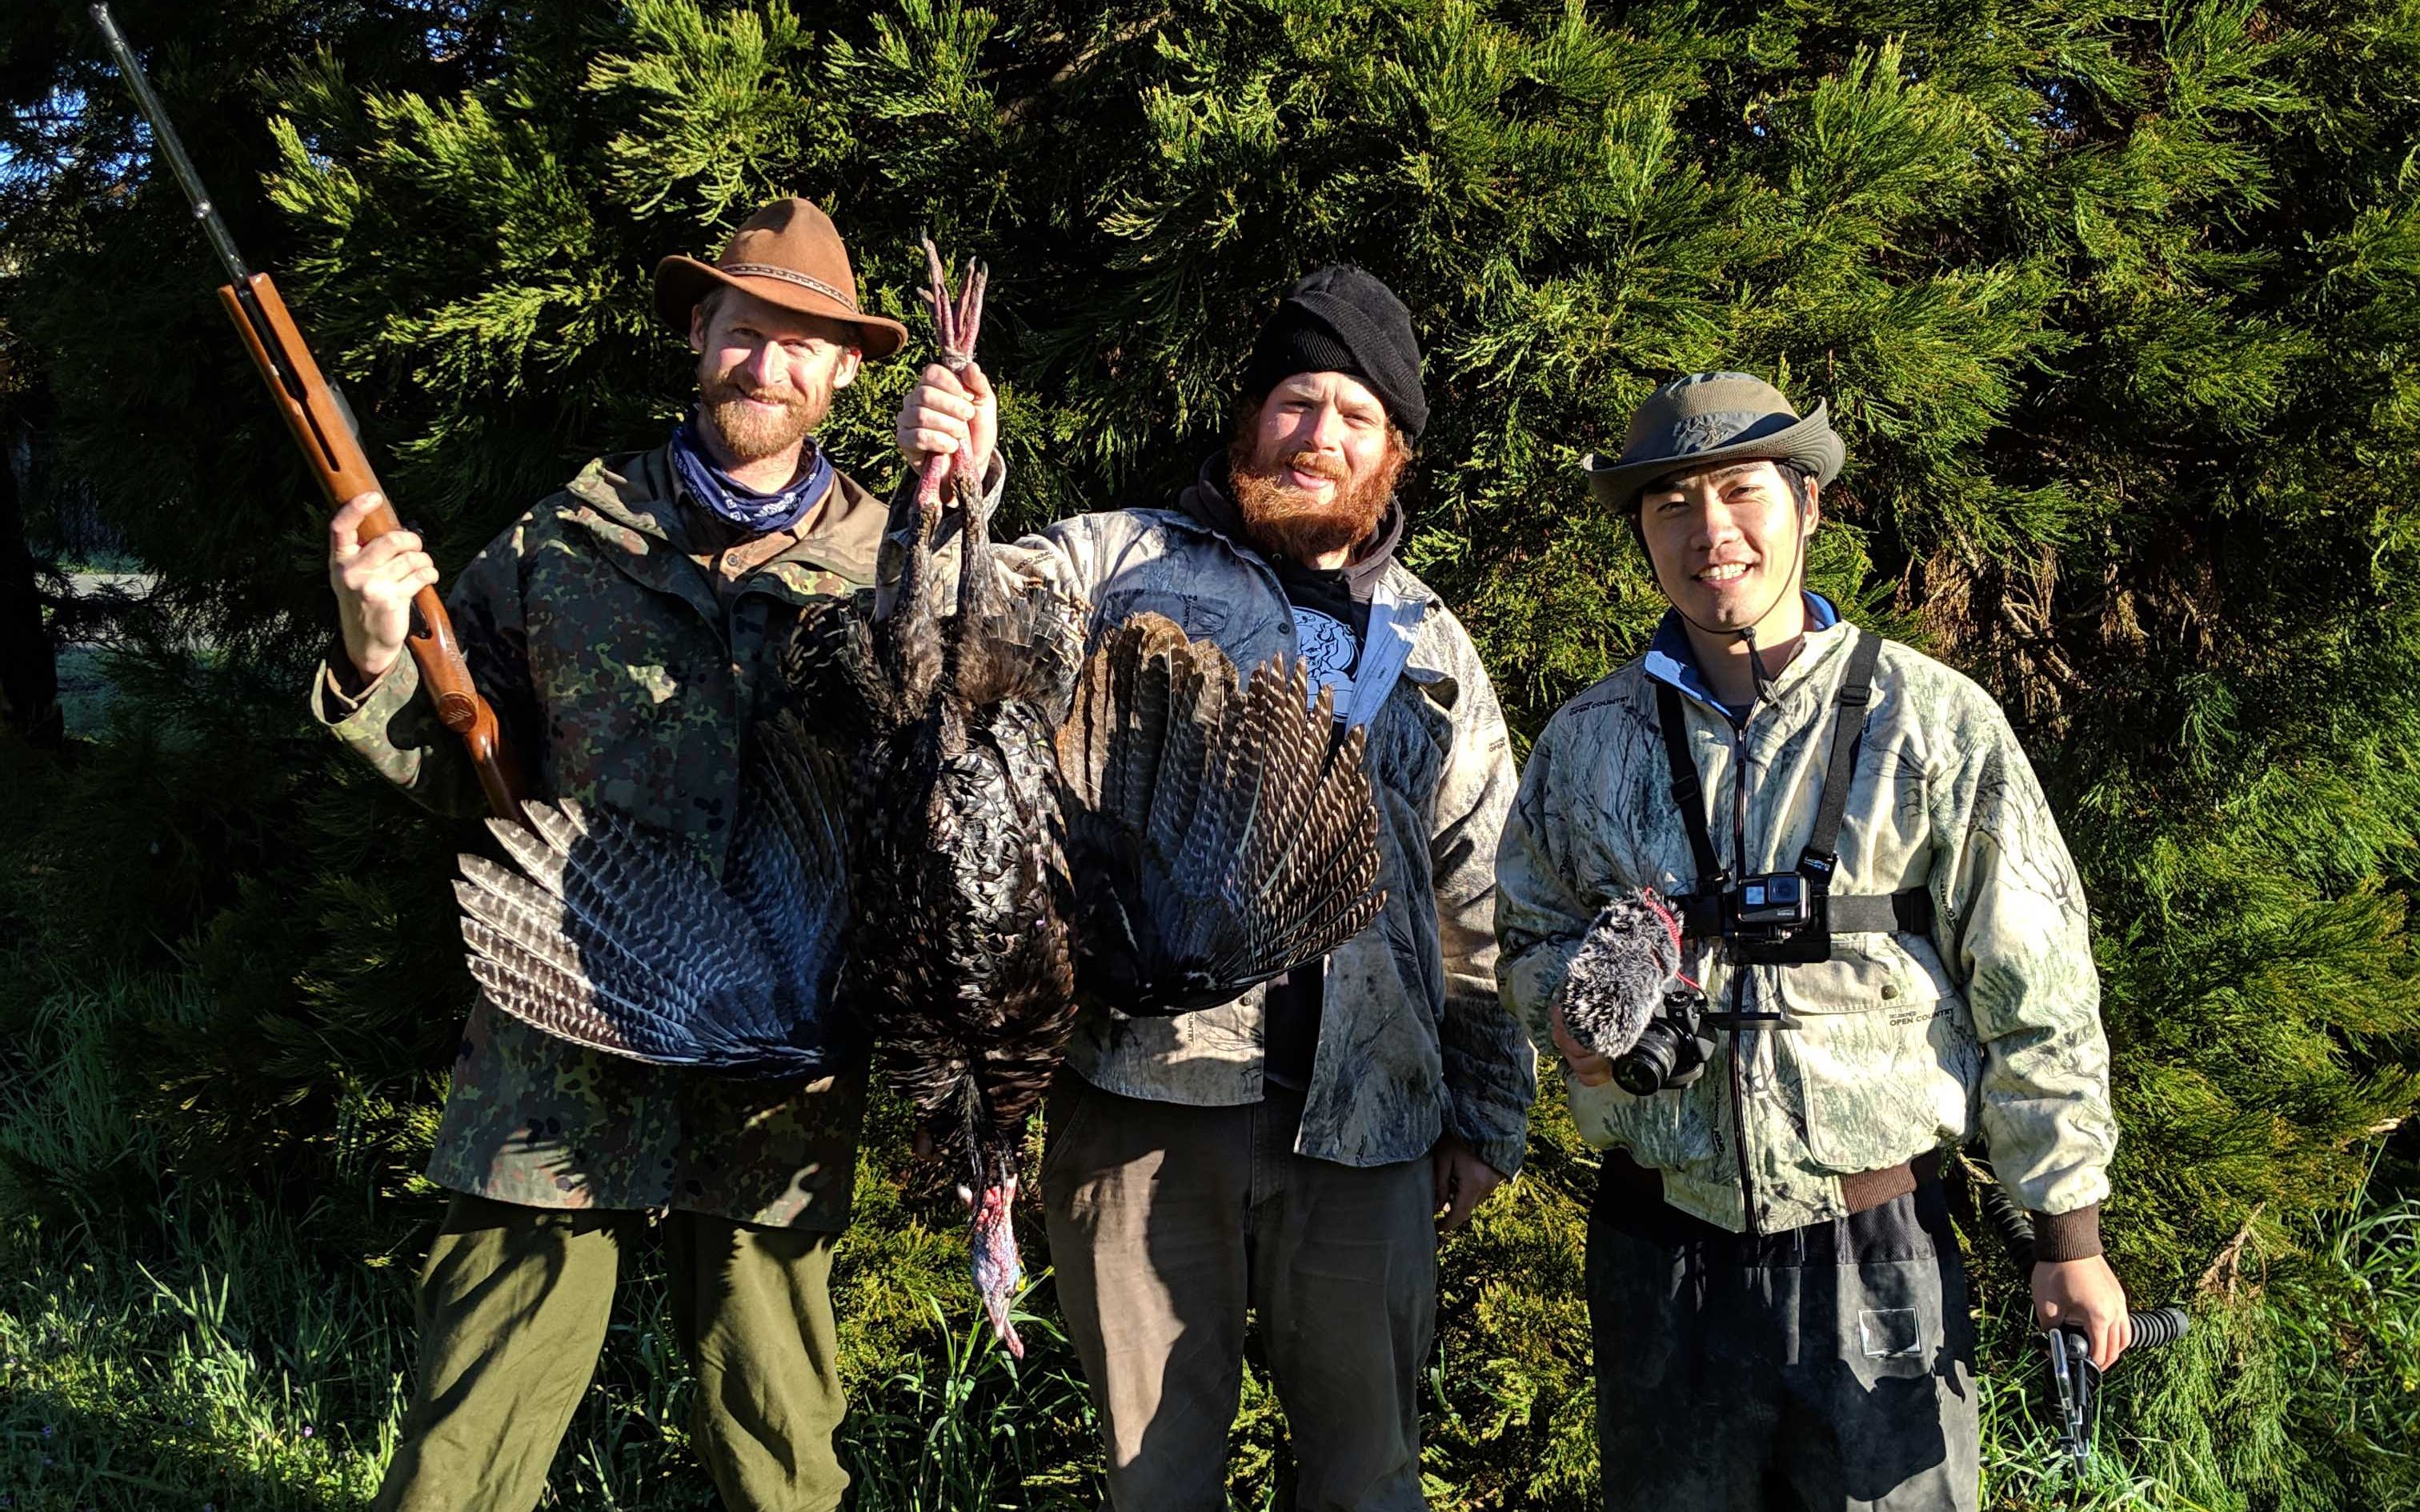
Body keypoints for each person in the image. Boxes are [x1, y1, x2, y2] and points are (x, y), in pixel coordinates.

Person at [313, 198, 928, 1512]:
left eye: (802, 343)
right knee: (462, 1453)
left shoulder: (892, 575)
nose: (766, 364)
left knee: (783, 1455)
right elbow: (464, 766)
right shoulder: (565, 539)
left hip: (777, 1072)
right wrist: (371, 658)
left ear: (843, 373)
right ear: (697, 334)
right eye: (743, 330)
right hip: (555, 1047)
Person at [895, 266, 1537, 1510]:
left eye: (1356, 416)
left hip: (1369, 1128)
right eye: (1296, 401)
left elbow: (1485, 899)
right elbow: (944, 653)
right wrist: (956, 496)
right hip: (1144, 1108)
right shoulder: (1118, 561)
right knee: (1156, 1486)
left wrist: (1484, 1115)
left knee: (1368, 1484)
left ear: (1394, 453)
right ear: (1250, 417)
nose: (1319, 437)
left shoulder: (1433, 645)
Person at [1494, 371, 2130, 1511]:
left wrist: (2068, 1234)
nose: (1711, 531)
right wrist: (1578, 1019)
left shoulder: (1934, 723)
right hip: (1659, 1255)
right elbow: (1526, 931)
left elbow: (2037, 985)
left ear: (1809, 504)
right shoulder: (1587, 742)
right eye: (1672, 504)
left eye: (1742, 490)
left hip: (1877, 1250)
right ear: (1643, 534)